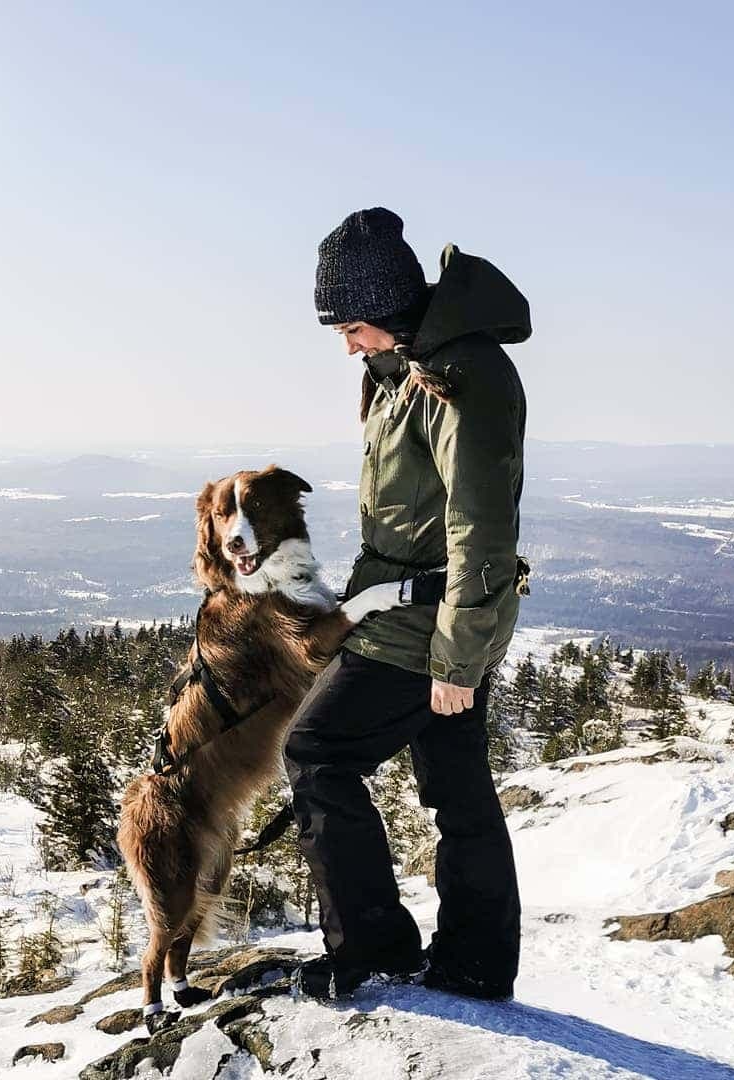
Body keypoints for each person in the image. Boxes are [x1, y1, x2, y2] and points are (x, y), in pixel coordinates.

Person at [285, 207, 529, 1001]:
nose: (347, 344)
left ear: (388, 310)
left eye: (352, 326)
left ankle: (373, 948)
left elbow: (480, 527)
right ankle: (475, 962)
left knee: (317, 753)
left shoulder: (460, 377)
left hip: (432, 627)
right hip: (416, 615)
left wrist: (457, 660)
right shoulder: (403, 373)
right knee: (457, 790)